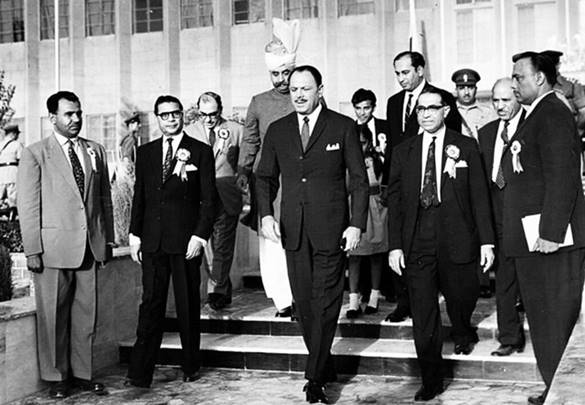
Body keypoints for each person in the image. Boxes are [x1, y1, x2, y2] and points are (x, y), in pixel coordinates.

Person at [256, 65, 368, 403]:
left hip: (332, 231)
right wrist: (265, 214)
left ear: (320, 89)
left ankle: (314, 378)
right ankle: (324, 365)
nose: (299, 95)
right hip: (293, 231)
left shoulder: (342, 126)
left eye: (306, 88)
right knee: (304, 305)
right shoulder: (278, 130)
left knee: (326, 303)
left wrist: (356, 224)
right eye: (294, 89)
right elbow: (264, 178)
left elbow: (359, 181)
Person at [386, 87, 495, 401]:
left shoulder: (466, 147)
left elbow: (480, 197)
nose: (425, 114)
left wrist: (487, 242)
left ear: (446, 111)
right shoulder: (404, 151)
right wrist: (395, 246)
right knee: (423, 313)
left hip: (457, 236)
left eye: (432, 108)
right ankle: (431, 379)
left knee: (461, 296)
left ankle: (462, 329)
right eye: (420, 109)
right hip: (417, 239)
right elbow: (395, 202)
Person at [17, 91, 114, 399]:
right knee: (53, 317)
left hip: (89, 247)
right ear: (53, 118)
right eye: (68, 114)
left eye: (78, 113)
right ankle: (57, 378)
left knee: (86, 316)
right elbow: (28, 206)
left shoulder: (95, 150)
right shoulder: (35, 154)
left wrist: (107, 240)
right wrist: (32, 249)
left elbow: (104, 200)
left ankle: (83, 374)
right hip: (52, 250)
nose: (75, 119)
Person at [507, 51, 585, 405]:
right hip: (535, 238)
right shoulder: (538, 113)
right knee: (544, 320)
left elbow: (563, 176)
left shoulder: (552, 112)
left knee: (554, 320)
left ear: (540, 78)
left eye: (519, 77)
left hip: (552, 242)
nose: (514, 84)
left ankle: (562, 395)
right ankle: (555, 390)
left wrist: (551, 233)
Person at [126, 95, 218, 388]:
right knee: (150, 305)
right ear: (157, 118)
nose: (170, 119)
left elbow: (209, 201)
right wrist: (135, 235)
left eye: (175, 114)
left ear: (182, 116)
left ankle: (190, 365)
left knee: (187, 306)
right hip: (153, 243)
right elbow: (140, 196)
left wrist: (199, 237)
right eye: (164, 115)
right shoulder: (146, 153)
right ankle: (140, 373)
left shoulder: (200, 152)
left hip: (185, 243)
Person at [383, 51, 463, 323]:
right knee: (400, 244)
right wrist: (389, 184)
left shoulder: (442, 99)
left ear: (420, 70)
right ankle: (403, 303)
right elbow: (393, 147)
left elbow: (453, 144)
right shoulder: (394, 103)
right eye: (397, 73)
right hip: (403, 186)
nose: (401, 78)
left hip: (433, 187)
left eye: (405, 72)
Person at [236, 18, 300, 318]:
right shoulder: (259, 102)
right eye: (276, 74)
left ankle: (301, 297)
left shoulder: (306, 98)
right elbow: (250, 140)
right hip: (268, 183)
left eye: (286, 73)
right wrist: (243, 171)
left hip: (299, 181)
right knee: (273, 240)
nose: (282, 79)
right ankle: (282, 300)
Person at [478, 78, 526, 357]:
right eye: (495, 100)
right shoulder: (486, 134)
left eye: (506, 100)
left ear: (518, 97)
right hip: (497, 216)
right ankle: (509, 337)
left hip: (526, 217)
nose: (499, 106)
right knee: (504, 279)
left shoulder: (532, 127)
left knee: (531, 280)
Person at [184, 91, 243, 311]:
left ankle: (216, 291)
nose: (208, 119)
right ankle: (221, 289)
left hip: (225, 196)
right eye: (203, 114)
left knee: (222, 246)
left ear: (221, 110)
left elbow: (247, 162)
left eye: (213, 114)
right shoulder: (189, 132)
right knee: (206, 246)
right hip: (199, 199)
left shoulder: (236, 130)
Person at [345, 89, 389, 319]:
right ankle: (354, 299)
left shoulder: (377, 153)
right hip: (355, 206)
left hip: (377, 206)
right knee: (354, 253)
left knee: (376, 253)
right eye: (358, 108)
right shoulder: (347, 131)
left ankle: (374, 296)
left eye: (367, 107)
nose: (362, 112)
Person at [540, 50, 585, 136]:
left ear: (558, 65)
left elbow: (583, 113)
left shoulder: (572, 85)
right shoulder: (537, 87)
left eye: (552, 66)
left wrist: (576, 134)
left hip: (568, 134)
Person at [451, 68, 497, 140]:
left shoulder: (488, 112)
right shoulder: (448, 111)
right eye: (462, 88)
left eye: (470, 88)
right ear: (456, 90)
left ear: (476, 89)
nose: (466, 92)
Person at [0, 123, 23, 218]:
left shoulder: (0, 144)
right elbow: (22, 159)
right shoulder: (17, 145)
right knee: (13, 196)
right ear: (13, 134)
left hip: (1, 172)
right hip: (13, 172)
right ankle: (12, 215)